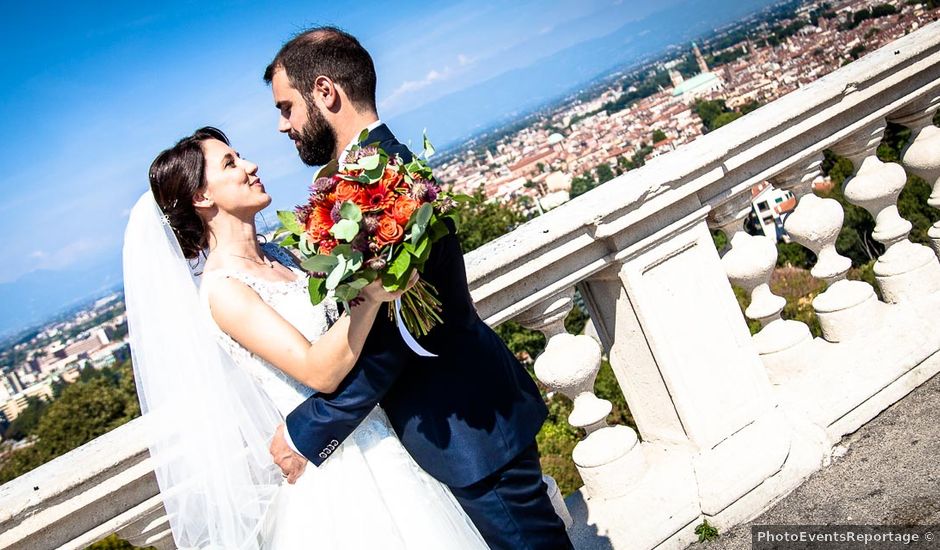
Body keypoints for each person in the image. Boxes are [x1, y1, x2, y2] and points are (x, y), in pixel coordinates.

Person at [264, 27, 574, 550]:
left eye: (286, 107)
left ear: (324, 91)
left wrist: (309, 430)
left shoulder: (383, 186)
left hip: (470, 426)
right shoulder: (377, 172)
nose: (282, 126)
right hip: (459, 422)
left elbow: (393, 338)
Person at [124, 126, 489, 549]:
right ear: (202, 197)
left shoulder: (286, 252)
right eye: (230, 163)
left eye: (240, 155)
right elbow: (319, 371)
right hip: (343, 472)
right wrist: (371, 296)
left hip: (385, 431)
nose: (250, 165)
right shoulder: (224, 290)